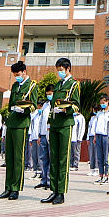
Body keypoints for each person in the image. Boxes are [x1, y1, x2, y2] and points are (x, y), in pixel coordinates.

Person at [0, 61, 41, 200]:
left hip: (22, 124)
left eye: (18, 74)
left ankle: (16, 188)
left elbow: (33, 106)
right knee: (9, 157)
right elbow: (10, 105)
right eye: (15, 75)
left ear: (24, 71)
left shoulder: (32, 86)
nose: (17, 77)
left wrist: (23, 109)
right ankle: (8, 187)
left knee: (18, 157)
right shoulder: (15, 86)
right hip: (11, 123)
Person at [42, 57, 81, 205]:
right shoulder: (58, 85)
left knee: (63, 159)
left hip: (65, 124)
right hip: (55, 124)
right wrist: (49, 123)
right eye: (58, 70)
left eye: (61, 70)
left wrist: (66, 109)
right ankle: (54, 190)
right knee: (54, 157)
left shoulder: (74, 85)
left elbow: (77, 105)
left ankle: (61, 192)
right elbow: (52, 106)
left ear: (68, 69)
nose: (60, 73)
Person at [91, 98, 109, 184]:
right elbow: (96, 125)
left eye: (104, 102)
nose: (102, 104)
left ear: (107, 102)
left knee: (106, 157)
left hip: (106, 136)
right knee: (99, 157)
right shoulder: (99, 113)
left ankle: (106, 176)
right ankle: (101, 175)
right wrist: (95, 136)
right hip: (98, 135)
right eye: (101, 102)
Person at [71, 104, 86, 171]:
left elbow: (81, 128)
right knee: (71, 152)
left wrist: (79, 138)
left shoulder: (80, 117)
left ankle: (75, 164)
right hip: (70, 138)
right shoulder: (71, 116)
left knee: (76, 152)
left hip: (76, 138)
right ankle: (71, 164)